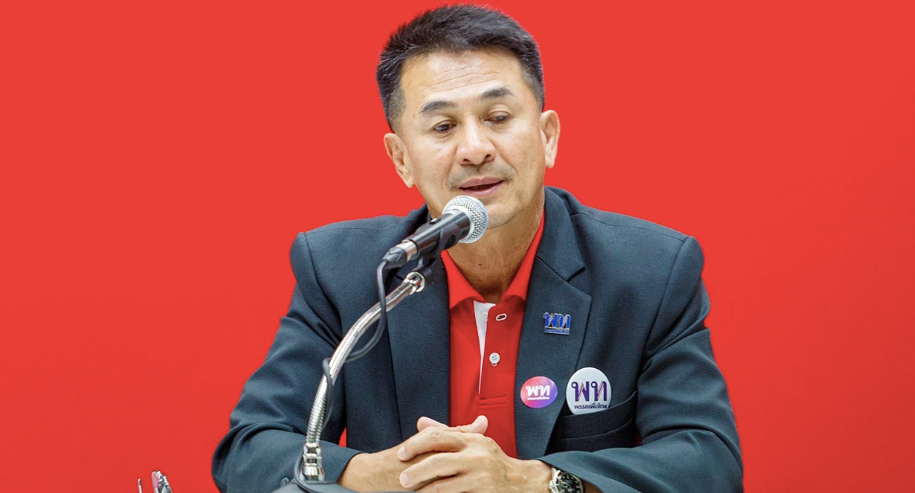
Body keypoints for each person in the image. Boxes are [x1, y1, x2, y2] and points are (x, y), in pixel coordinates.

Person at [212, 5, 742, 493]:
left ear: (548, 136)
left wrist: (533, 482)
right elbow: (250, 450)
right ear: (401, 159)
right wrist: (373, 474)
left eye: (498, 117)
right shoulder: (347, 274)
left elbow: (709, 464)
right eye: (443, 126)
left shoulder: (648, 274)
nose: (474, 149)